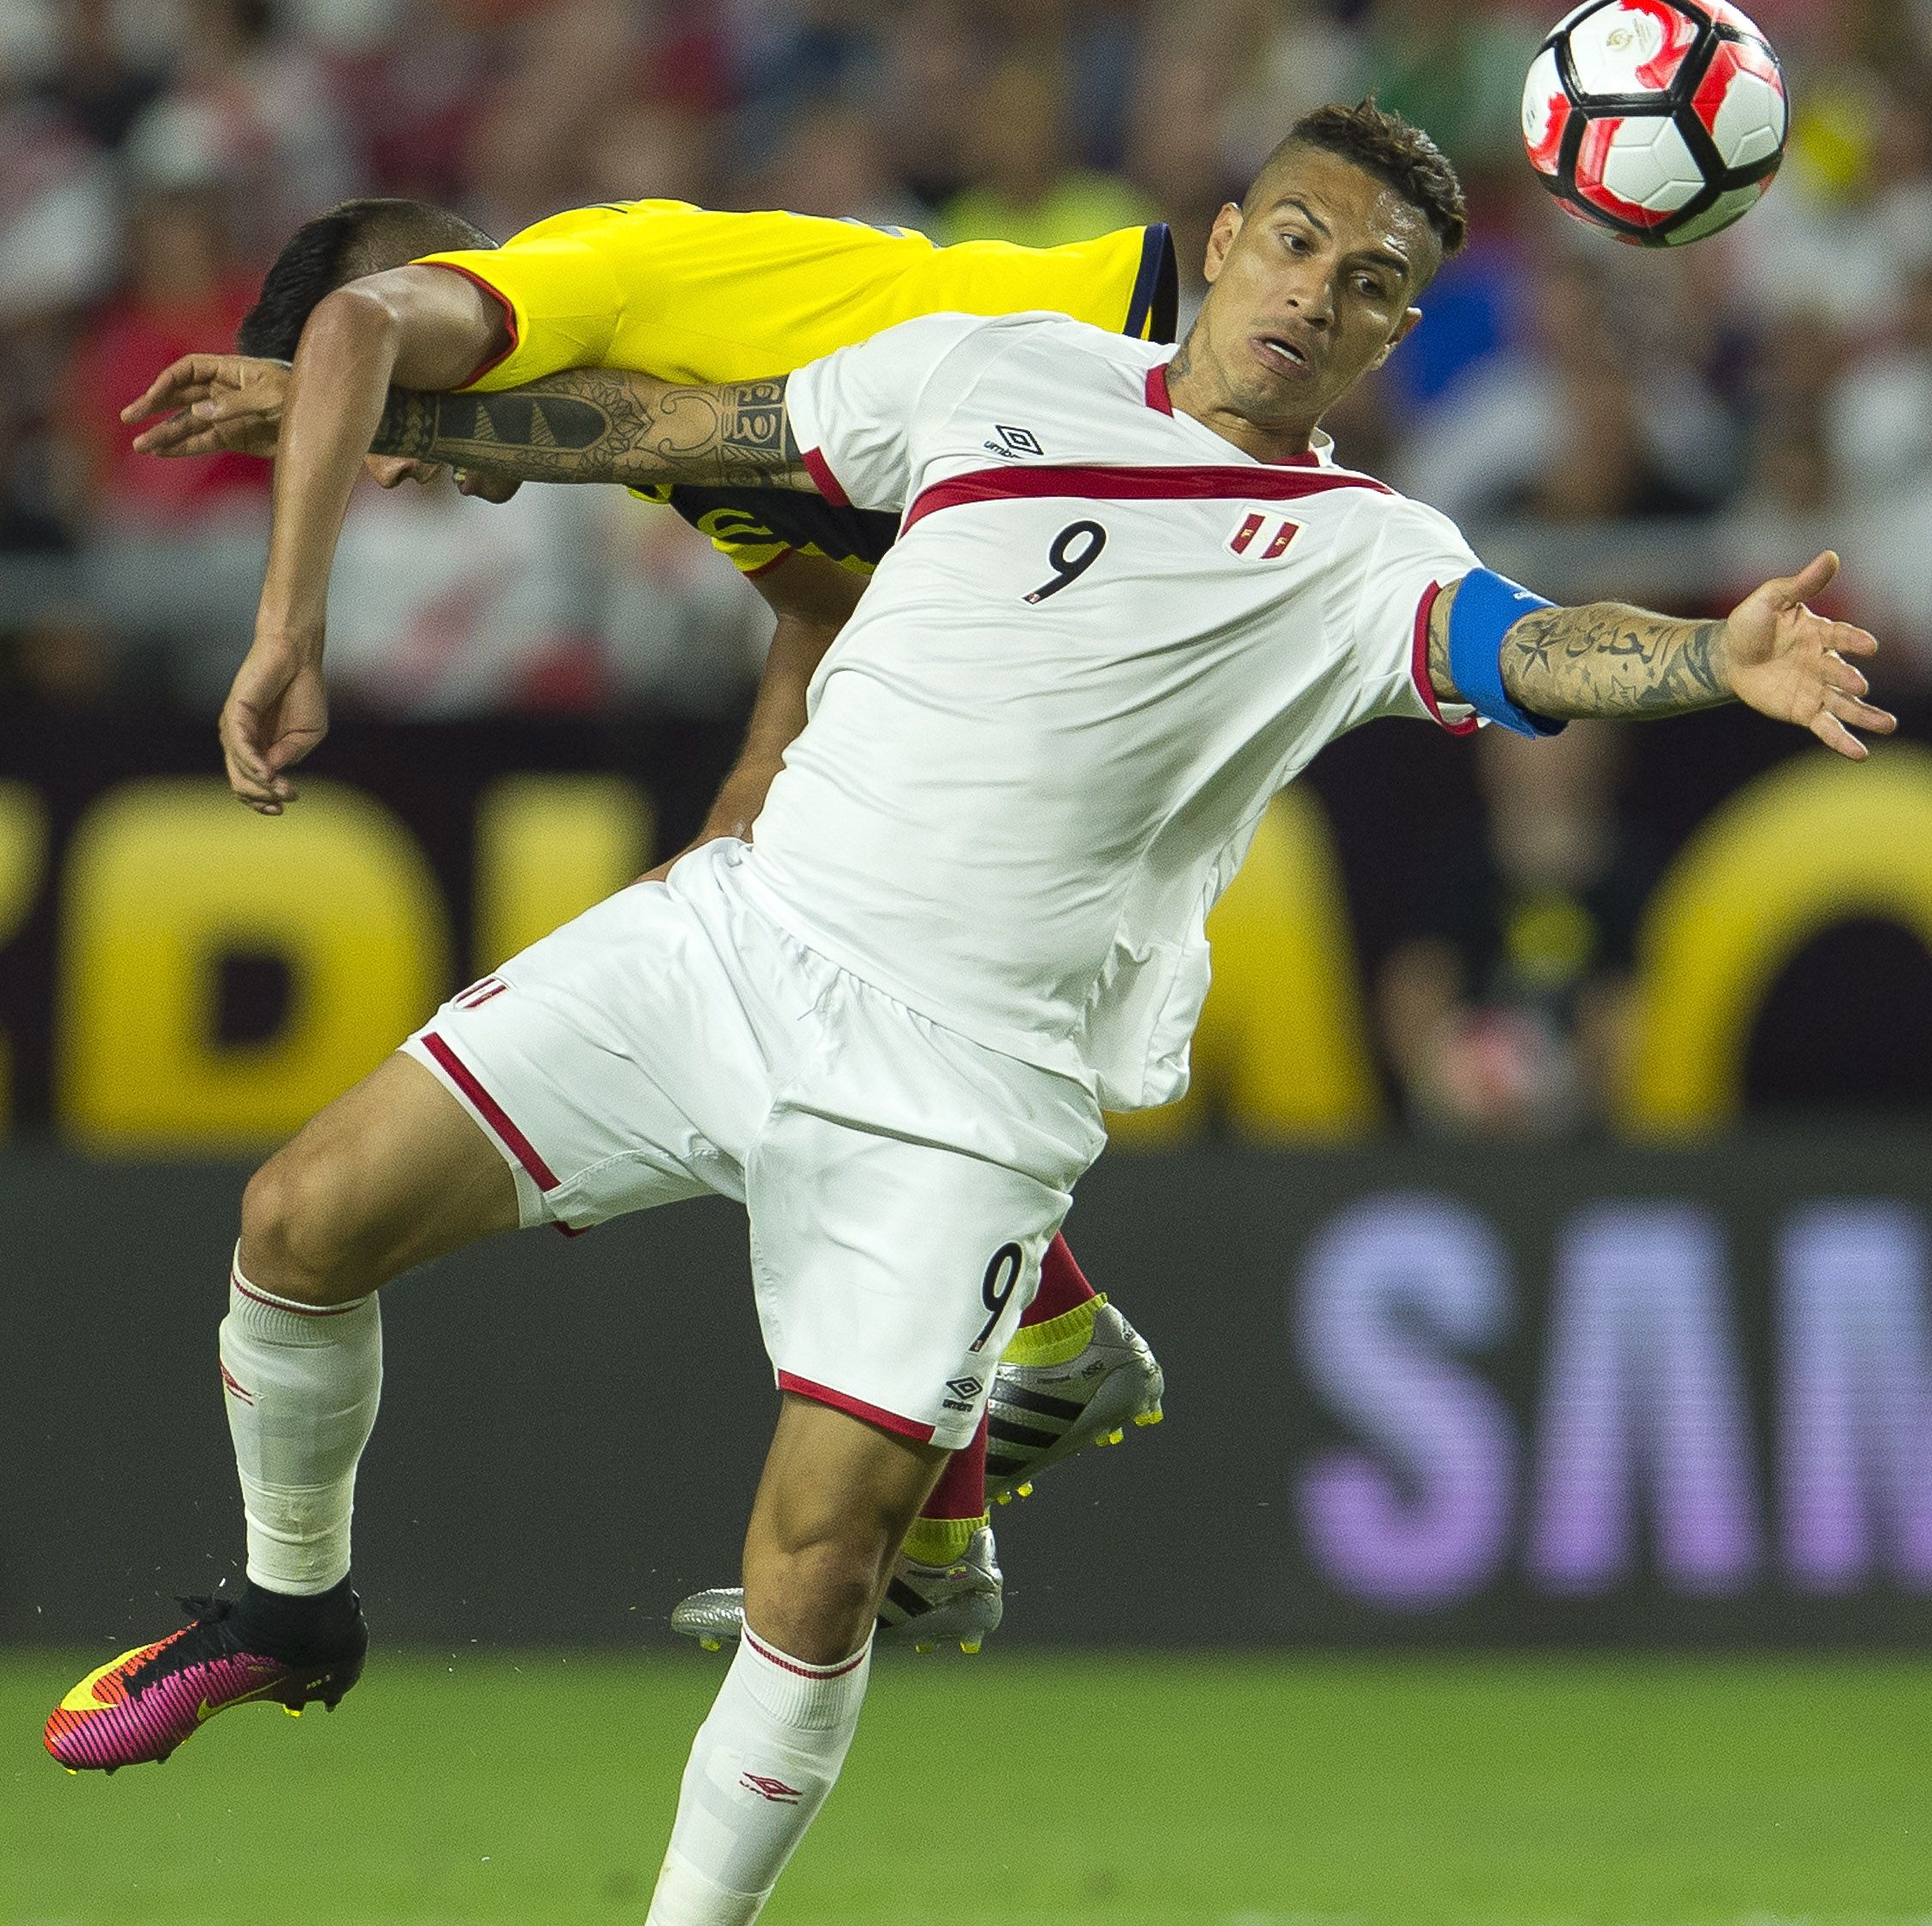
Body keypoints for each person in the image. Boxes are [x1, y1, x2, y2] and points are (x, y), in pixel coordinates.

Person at [48, 100, 1888, 1926]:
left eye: (1367, 283)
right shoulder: (983, 374)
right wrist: (340, 397)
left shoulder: (1367, 549)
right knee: (295, 1218)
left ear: (1388, 338)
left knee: (816, 1565)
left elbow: (1518, 647)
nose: (1316, 295)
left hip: (964, 1094)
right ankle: (291, 1611)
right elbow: (682, 439)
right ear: (1218, 241)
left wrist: (1703, 656)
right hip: (736, 948)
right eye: (1295, 242)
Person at [106, 190, 1189, 1658]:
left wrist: (288, 630)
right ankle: (1003, 1418)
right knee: (820, 1001)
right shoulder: (664, 417)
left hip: (1155, 404)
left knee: (866, 1007)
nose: (382, 468)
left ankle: (991, 1440)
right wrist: (741, 817)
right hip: (1089, 559)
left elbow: (363, 326)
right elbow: (833, 606)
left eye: (363, 433)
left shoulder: (586, 274)